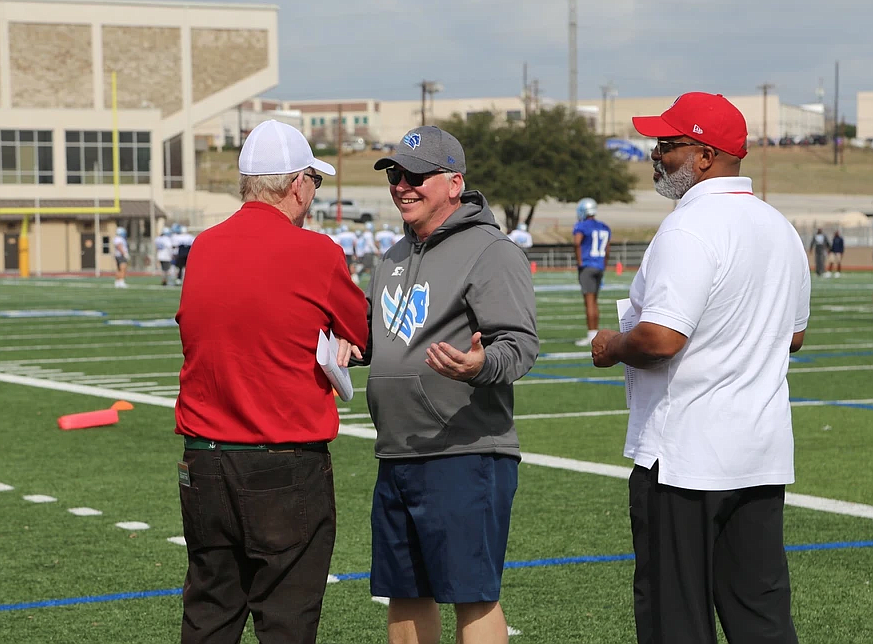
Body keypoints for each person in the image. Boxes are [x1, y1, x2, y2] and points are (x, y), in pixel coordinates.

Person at [590, 93, 810, 644]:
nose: (656, 154)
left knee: (675, 619)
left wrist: (613, 345)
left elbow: (662, 338)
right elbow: (796, 336)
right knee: (761, 618)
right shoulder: (779, 226)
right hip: (757, 451)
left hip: (685, 456)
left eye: (667, 144)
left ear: (705, 156)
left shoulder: (689, 227)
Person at [174, 119, 368, 644]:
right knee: (287, 621)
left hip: (205, 459)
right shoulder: (316, 251)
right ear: (298, 184)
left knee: (209, 615)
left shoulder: (205, 247)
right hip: (283, 460)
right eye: (315, 183)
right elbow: (362, 329)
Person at [356, 125, 539, 644]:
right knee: (404, 593)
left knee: (473, 594)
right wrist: (351, 347)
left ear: (454, 183)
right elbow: (380, 334)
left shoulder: (491, 251)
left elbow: (519, 345)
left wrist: (478, 366)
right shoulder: (391, 255)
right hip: (396, 452)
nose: (402, 185)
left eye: (416, 175)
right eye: (395, 174)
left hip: (465, 450)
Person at [572, 198, 611, 347]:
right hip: (599, 265)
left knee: (589, 301)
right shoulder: (604, 227)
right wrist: (604, 265)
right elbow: (608, 249)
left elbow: (577, 242)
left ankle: (591, 334)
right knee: (594, 301)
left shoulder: (581, 226)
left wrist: (580, 262)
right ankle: (593, 333)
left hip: (587, 266)